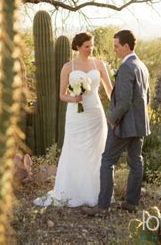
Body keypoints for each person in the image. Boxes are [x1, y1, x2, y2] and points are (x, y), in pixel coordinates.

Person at [33, 32, 113, 207]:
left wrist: (117, 108)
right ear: (77, 47)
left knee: (96, 153)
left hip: (95, 114)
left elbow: (109, 90)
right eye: (86, 46)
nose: (90, 48)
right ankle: (73, 192)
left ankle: (98, 193)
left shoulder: (99, 64)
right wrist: (74, 98)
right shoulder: (68, 67)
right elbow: (63, 95)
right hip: (76, 115)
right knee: (75, 150)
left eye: (92, 45)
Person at [83, 30, 150, 216]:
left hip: (124, 125)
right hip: (140, 125)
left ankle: (102, 207)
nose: (114, 50)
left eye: (116, 46)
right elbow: (147, 98)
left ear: (126, 47)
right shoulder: (142, 66)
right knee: (136, 162)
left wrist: (112, 120)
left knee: (107, 161)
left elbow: (125, 101)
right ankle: (131, 203)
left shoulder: (128, 67)